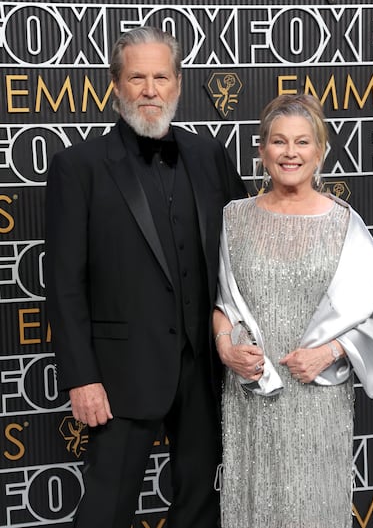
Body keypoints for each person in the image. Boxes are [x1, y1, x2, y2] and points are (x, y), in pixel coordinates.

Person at [45, 26, 246, 528]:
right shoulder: (79, 167)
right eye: (137, 77)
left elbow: (244, 255)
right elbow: (65, 282)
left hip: (205, 369)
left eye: (161, 76)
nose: (150, 89)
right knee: (106, 510)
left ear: (178, 83)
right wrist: (82, 377)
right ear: (116, 85)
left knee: (201, 505)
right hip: (118, 375)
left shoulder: (210, 156)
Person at [212, 94, 373, 528]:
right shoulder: (233, 218)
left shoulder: (345, 223)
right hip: (251, 395)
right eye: (278, 142)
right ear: (261, 151)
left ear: (320, 151)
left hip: (317, 399)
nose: (290, 153)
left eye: (302, 142)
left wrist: (332, 350)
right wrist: (226, 348)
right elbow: (219, 302)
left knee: (312, 508)